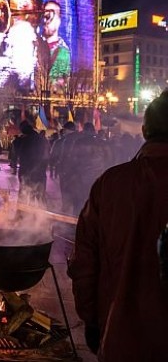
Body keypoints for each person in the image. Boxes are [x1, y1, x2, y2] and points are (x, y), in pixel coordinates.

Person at [67, 90, 168, 361]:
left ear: (145, 130)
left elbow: (84, 261)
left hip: (119, 336)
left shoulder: (111, 183)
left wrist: (92, 320)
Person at [0, 0, 47, 93]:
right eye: (17, 2)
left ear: (35, 8)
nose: (19, 7)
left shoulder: (34, 40)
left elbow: (24, 80)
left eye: (25, 3)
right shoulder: (2, 35)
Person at [42, 0, 71, 93]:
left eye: (49, 16)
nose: (45, 20)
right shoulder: (33, 43)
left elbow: (63, 82)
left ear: (59, 20)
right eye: (43, 16)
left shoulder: (64, 52)